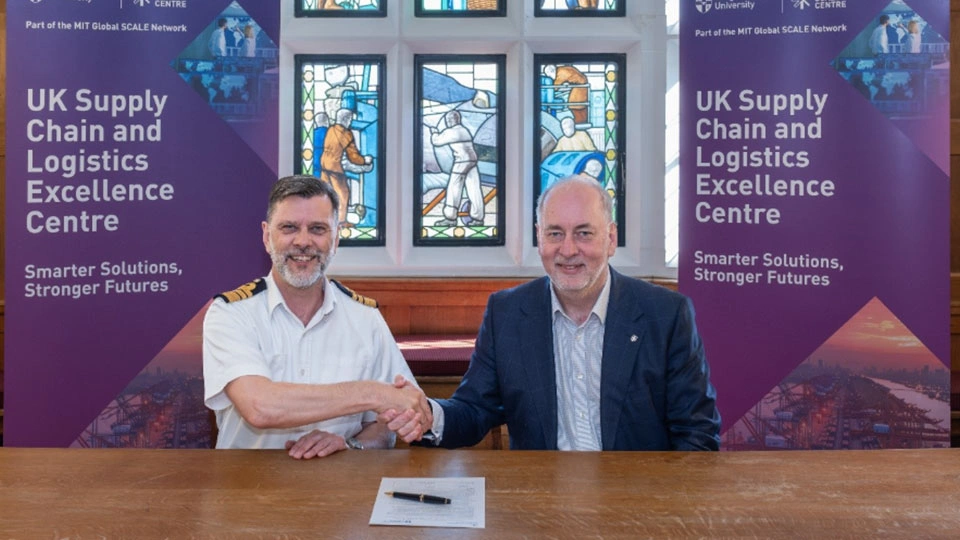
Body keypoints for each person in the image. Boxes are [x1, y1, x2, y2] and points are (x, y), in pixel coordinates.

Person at [383, 175, 721, 451]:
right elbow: (475, 410)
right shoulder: (508, 314)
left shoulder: (666, 314)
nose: (568, 250)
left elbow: (696, 434)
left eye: (584, 233)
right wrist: (430, 416)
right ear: (539, 238)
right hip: (541, 505)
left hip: (636, 501)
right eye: (555, 233)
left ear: (611, 238)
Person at [203, 175, 429, 459]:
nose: (303, 241)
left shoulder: (365, 318)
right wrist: (374, 393)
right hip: (246, 489)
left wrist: (352, 445)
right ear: (266, 236)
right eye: (289, 228)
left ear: (335, 239)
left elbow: (387, 427)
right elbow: (259, 406)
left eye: (318, 229)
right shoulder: (231, 313)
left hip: (338, 491)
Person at [430, 110, 484, 226]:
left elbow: (437, 141)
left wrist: (434, 133)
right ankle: (478, 218)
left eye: (447, 120)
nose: (447, 123)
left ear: (451, 120)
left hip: (462, 161)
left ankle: (450, 218)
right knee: (474, 189)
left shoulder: (452, 132)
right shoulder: (464, 130)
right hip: (472, 161)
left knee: (454, 188)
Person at [320, 108, 372, 223]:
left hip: (324, 165)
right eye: (350, 119)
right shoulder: (346, 134)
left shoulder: (331, 129)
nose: (350, 122)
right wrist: (365, 160)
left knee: (324, 195)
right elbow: (353, 156)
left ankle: (323, 221)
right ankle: (341, 222)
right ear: (346, 119)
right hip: (335, 168)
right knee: (342, 194)